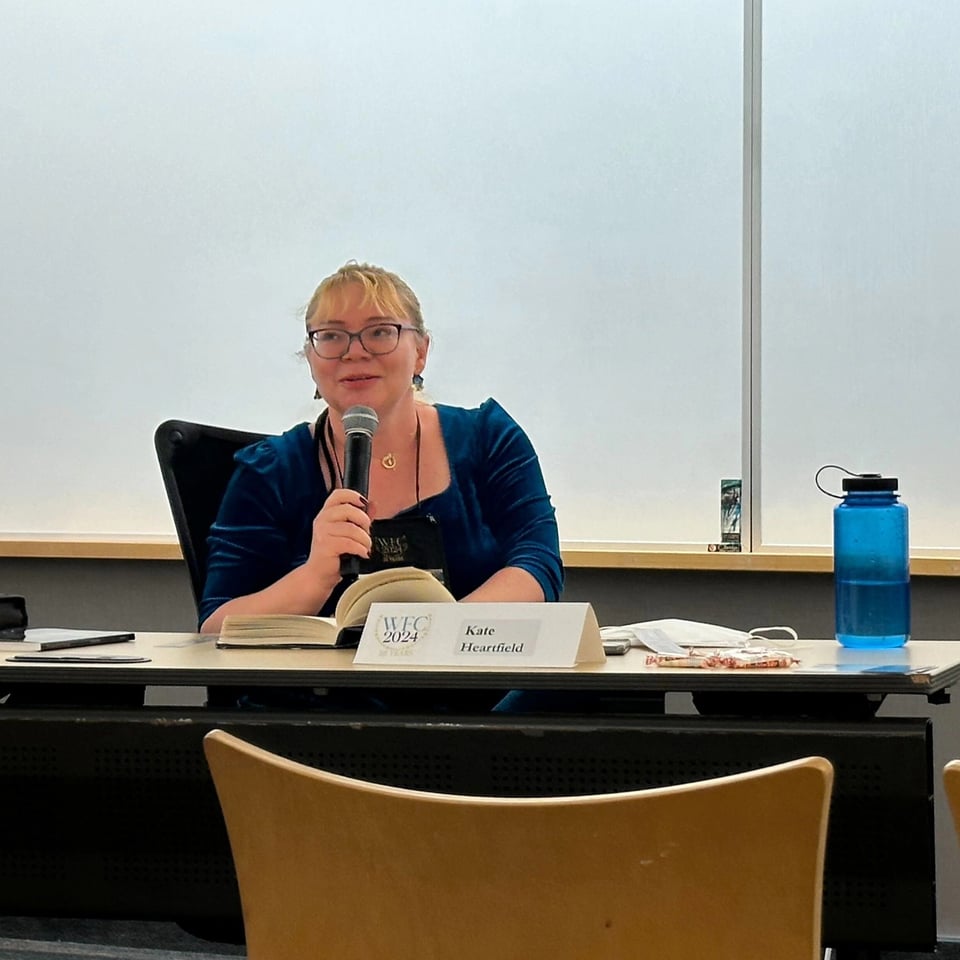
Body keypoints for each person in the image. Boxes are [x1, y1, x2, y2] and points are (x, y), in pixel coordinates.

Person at [199, 261, 563, 708]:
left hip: (477, 702)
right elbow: (215, 627)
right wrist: (315, 575)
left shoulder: (489, 438)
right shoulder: (270, 471)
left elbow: (538, 566)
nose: (354, 352)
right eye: (330, 336)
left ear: (421, 352)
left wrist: (441, 638)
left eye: (380, 331)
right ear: (311, 360)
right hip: (323, 715)